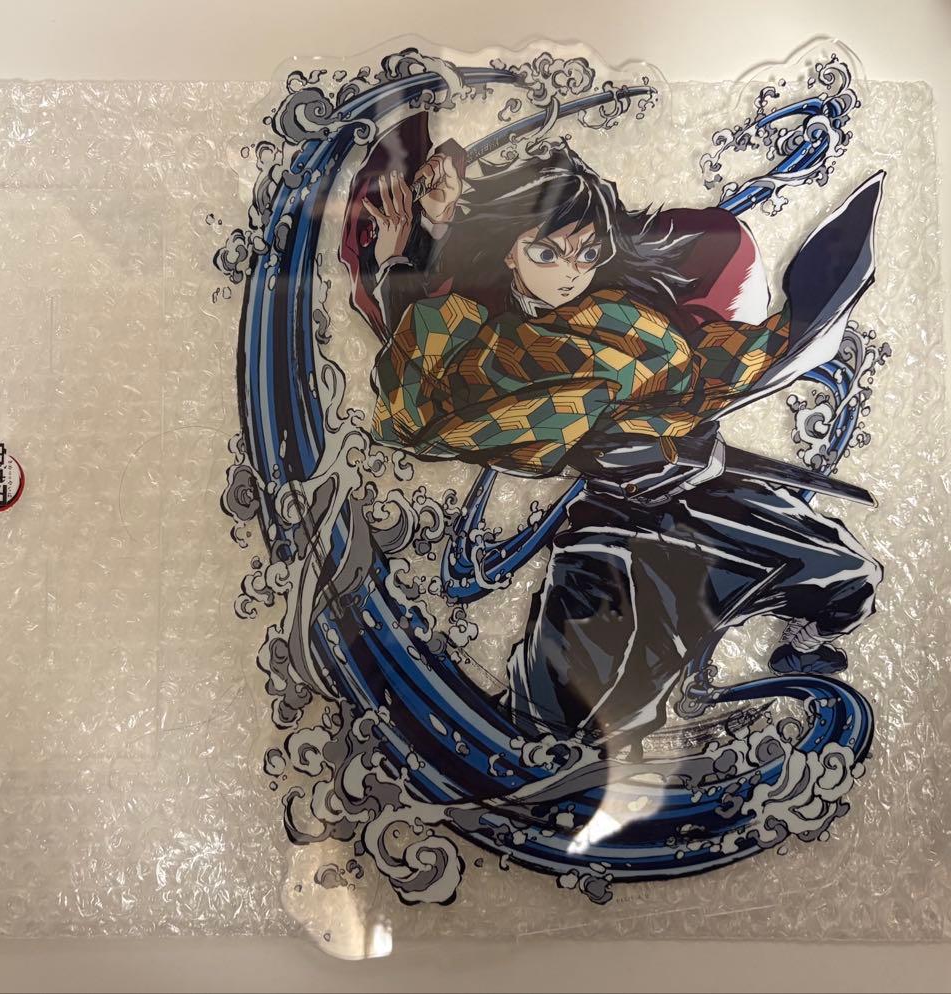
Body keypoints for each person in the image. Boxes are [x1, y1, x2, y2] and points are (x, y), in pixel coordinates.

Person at [347, 132, 884, 754]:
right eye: (548, 253)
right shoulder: (491, 337)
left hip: (695, 495)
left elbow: (703, 365)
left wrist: (792, 336)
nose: (571, 271)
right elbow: (424, 398)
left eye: (587, 253)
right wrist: (420, 249)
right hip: (613, 522)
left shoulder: (621, 314)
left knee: (846, 573)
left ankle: (799, 664)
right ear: (509, 252)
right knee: (558, 716)